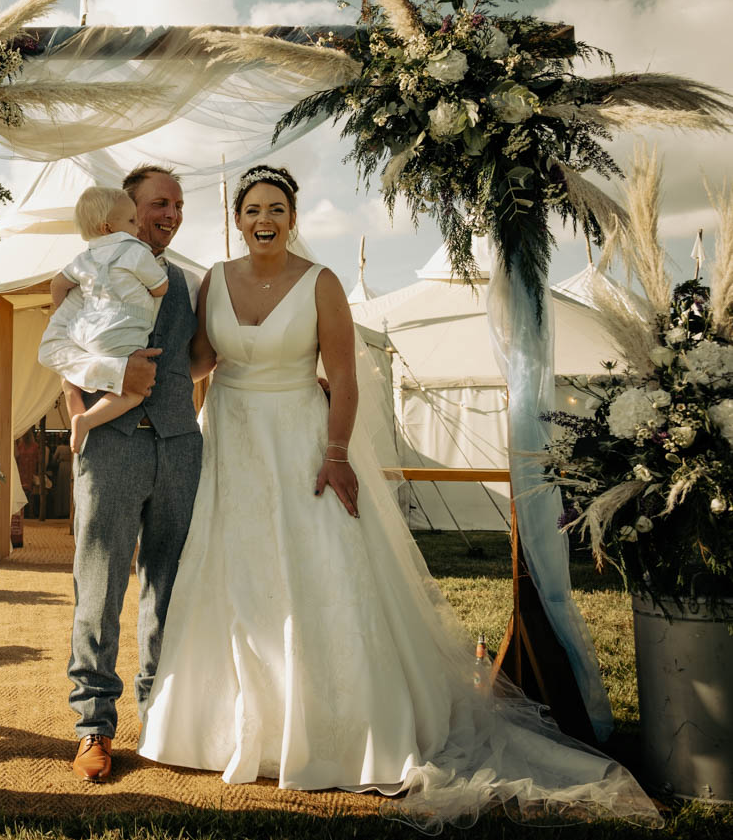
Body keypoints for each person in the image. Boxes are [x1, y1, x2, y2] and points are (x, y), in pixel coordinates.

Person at [136, 165, 658, 830]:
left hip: (301, 442)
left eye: (275, 207)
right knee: (230, 577)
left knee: (319, 573)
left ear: (291, 217)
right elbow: (201, 358)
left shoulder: (320, 283)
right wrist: (133, 369)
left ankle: (342, 728)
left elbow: (345, 377)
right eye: (252, 209)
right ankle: (217, 725)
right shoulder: (212, 278)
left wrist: (336, 451)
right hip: (232, 444)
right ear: (238, 219)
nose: (263, 218)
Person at [37, 165, 205, 783]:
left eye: (178, 205)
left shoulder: (187, 283)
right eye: (159, 203)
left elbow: (203, 356)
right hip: (111, 447)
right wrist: (111, 382)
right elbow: (66, 354)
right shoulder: (86, 270)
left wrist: (297, 368)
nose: (170, 214)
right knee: (100, 590)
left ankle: (159, 714)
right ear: (126, 210)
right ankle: (93, 727)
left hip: (182, 447)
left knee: (172, 587)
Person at [48, 186, 170, 453]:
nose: (137, 226)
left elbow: (57, 285)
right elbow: (161, 287)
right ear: (107, 227)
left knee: (72, 372)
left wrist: (70, 316)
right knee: (133, 393)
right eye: (130, 221)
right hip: (118, 331)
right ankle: (86, 421)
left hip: (85, 329)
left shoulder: (84, 258)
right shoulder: (136, 252)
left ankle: (72, 395)